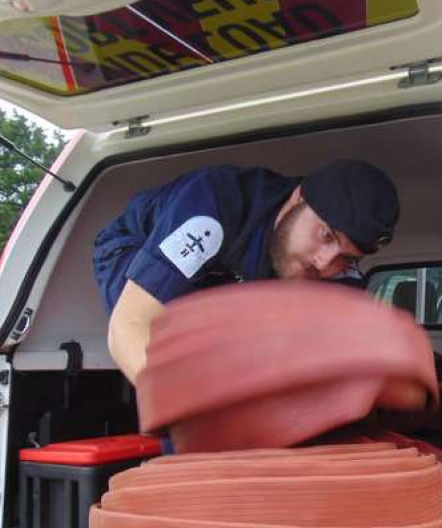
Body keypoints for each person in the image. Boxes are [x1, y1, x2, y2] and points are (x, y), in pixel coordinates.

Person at [93, 159, 400, 381]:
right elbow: (131, 324)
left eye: (345, 257)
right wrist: (177, 405)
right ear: (298, 198)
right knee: (182, 367)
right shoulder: (215, 206)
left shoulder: (339, 271)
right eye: (326, 236)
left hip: (226, 278)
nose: (324, 263)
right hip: (135, 248)